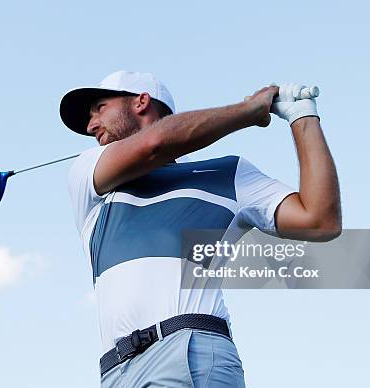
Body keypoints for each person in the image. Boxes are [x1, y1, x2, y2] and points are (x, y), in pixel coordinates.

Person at [60, 70, 341, 387]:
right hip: (114, 373)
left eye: (100, 107)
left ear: (140, 102)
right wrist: (247, 111)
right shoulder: (88, 175)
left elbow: (319, 220)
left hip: (187, 349)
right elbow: (153, 144)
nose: (90, 125)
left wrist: (302, 117)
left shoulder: (227, 174)